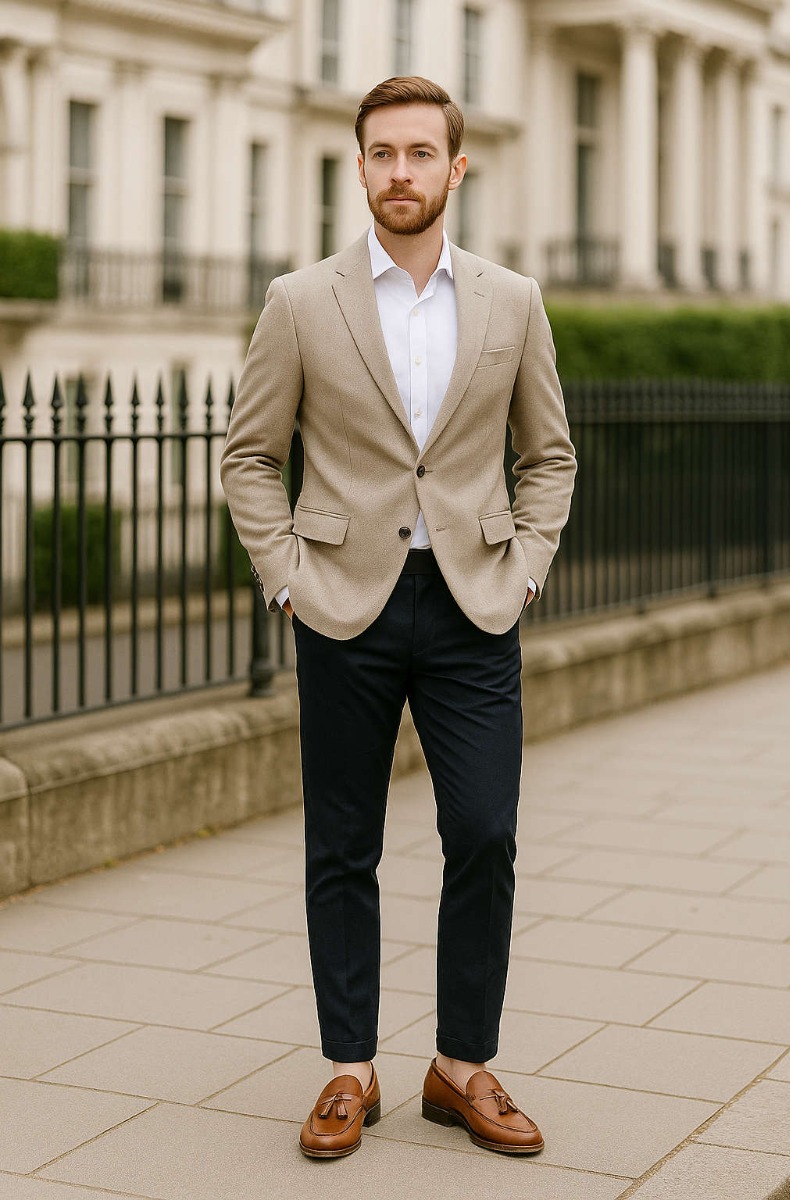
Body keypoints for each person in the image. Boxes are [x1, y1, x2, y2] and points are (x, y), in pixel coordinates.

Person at [220, 75, 577, 1160]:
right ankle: (348, 1068)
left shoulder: (510, 300)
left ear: (455, 168)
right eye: (381, 154)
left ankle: (460, 1064)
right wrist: (285, 575)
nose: (400, 173)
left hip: (473, 606)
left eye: (421, 154)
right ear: (360, 165)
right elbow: (247, 456)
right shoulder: (299, 300)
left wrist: (522, 570)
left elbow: (548, 454)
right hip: (340, 606)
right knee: (343, 843)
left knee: (482, 831)